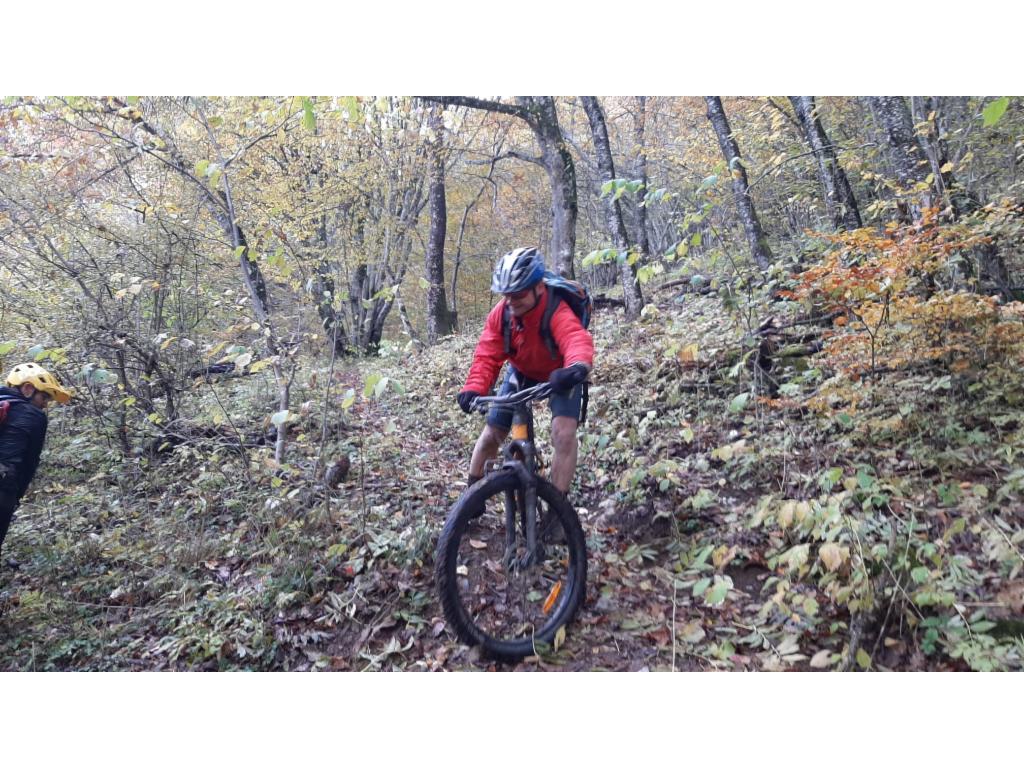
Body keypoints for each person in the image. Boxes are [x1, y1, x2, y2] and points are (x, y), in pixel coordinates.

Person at [457, 247, 593, 498]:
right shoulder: (502, 314)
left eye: (518, 294)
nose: (510, 301)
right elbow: (487, 353)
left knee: (563, 435)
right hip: (521, 372)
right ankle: (471, 499)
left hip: (560, 374)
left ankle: (558, 509)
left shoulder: (556, 309)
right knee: (492, 434)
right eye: (506, 294)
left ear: (538, 287)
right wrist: (474, 388)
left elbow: (575, 339)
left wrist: (576, 368)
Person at [0, 362, 73, 561]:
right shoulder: (35, 416)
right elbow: (29, 463)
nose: (45, 404)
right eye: (44, 397)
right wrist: (16, 497)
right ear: (28, 389)